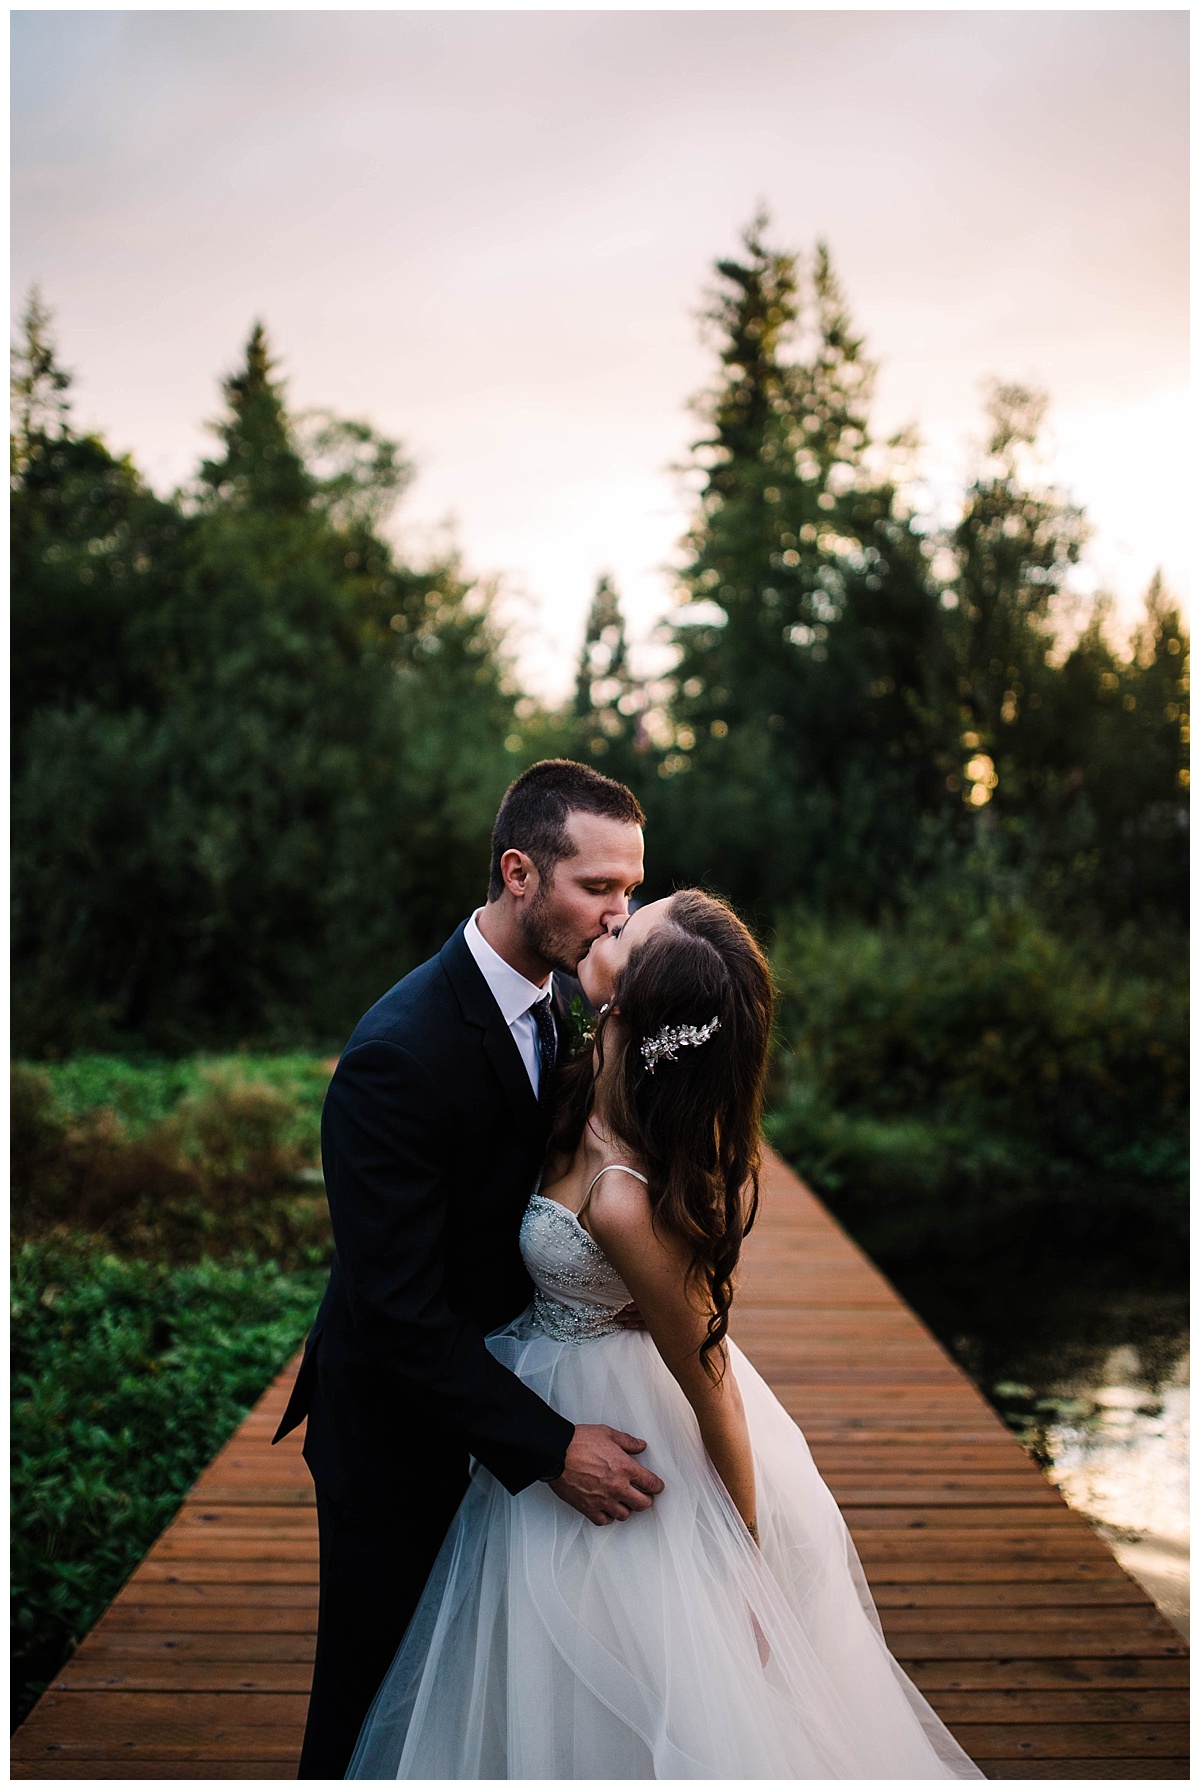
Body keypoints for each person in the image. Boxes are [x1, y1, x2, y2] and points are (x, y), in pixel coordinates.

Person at [347, 889, 984, 1779]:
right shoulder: (581, 1068)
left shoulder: (621, 1194)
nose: (614, 918)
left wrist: (746, 1572)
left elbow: (712, 1381)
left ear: (635, 1000)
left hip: (629, 1440)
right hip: (542, 1400)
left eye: (628, 930)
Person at [274, 760, 663, 1780]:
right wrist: (550, 1445)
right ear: (518, 871)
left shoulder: (568, 1001)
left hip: (511, 1380)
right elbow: (395, 1308)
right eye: (598, 887)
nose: (619, 913)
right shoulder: (397, 1053)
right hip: (402, 1436)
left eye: (631, 887)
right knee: (373, 1716)